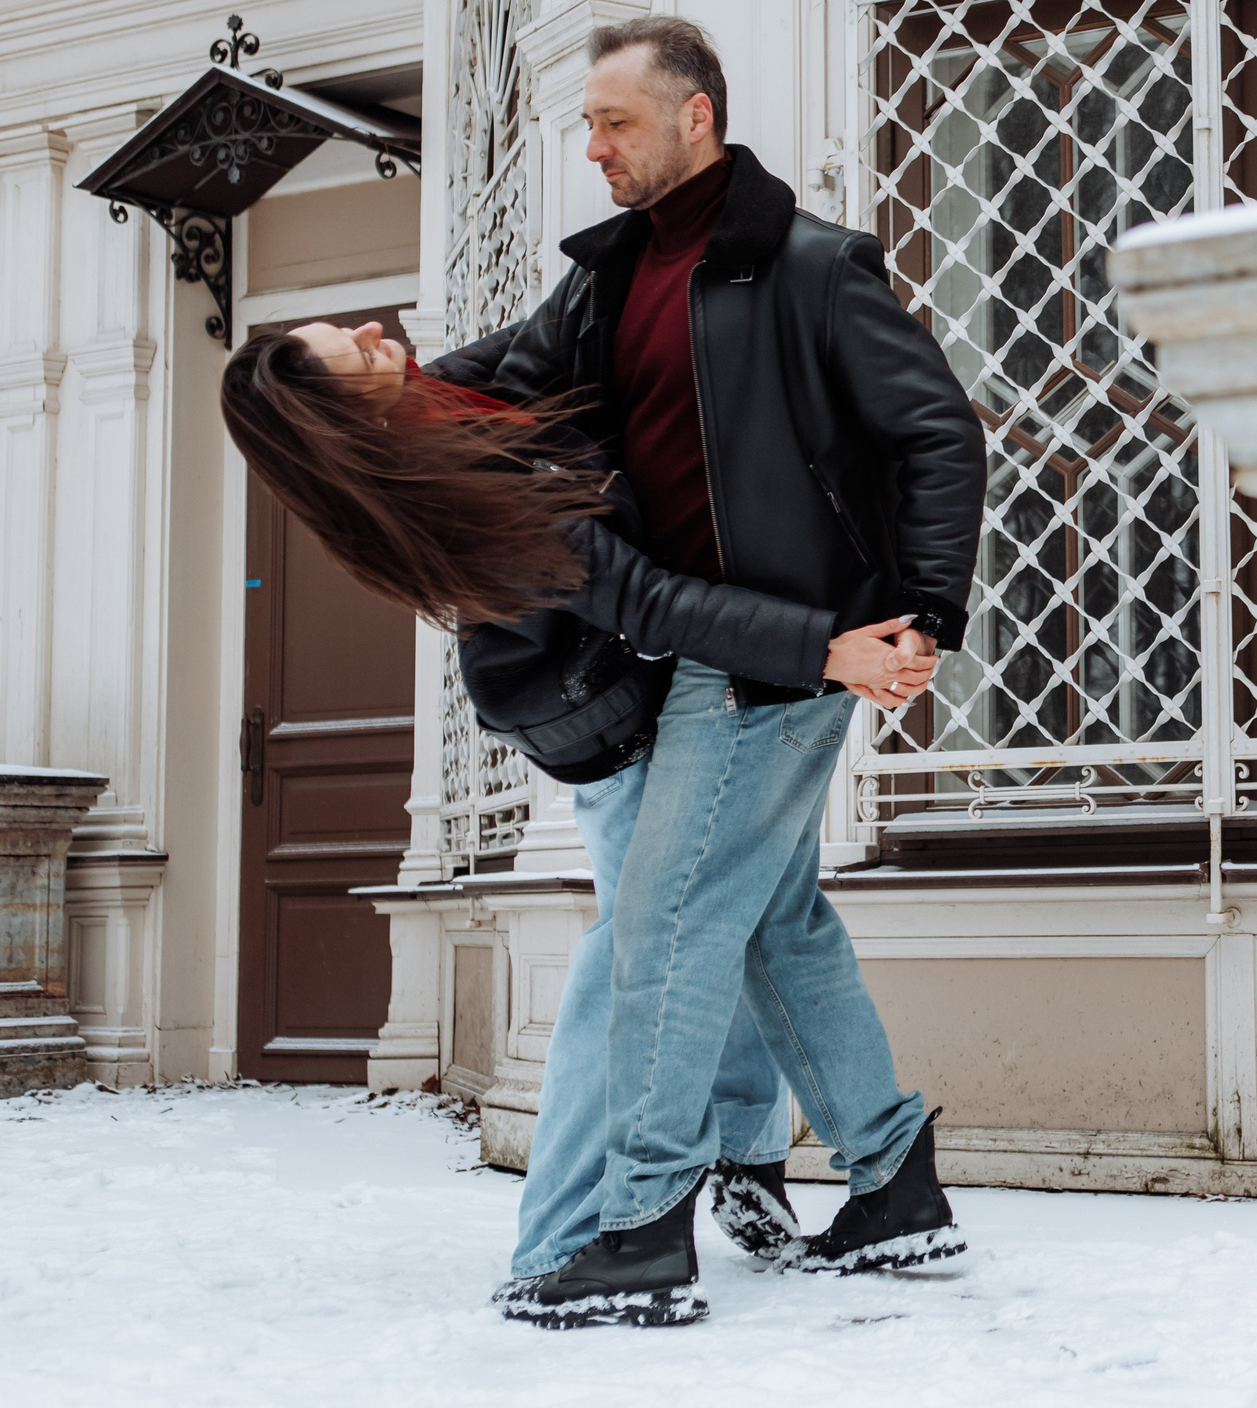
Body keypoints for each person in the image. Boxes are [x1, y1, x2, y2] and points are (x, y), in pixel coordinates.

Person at [218, 316, 959, 1324]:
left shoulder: (446, 393)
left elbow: (581, 310)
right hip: (627, 728)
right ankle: (580, 1235)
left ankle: (869, 1179)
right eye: (350, 347)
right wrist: (823, 651)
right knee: (649, 953)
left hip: (661, 698)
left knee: (762, 922)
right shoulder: (464, 477)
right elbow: (646, 600)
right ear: (344, 412)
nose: (374, 328)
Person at [428, 14, 988, 1325]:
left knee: (668, 933)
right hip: (694, 644)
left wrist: (923, 615)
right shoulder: (608, 280)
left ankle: (637, 1228)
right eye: (589, 124)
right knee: (774, 925)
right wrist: (367, 390)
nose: (594, 146)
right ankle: (895, 1183)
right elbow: (502, 388)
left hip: (781, 658)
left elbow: (939, 437)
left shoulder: (806, 268)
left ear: (696, 119)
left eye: (615, 121)